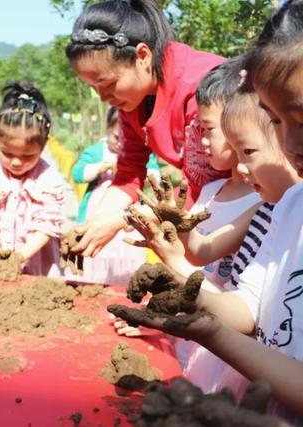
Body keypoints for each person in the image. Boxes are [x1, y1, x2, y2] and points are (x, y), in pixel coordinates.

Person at [112, 33, 303, 423]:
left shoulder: (275, 201)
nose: (290, 141)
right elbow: (248, 311)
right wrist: (201, 320)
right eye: (280, 121)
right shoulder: (289, 208)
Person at [66, 0, 227, 258]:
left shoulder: (199, 88)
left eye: (107, 84)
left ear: (142, 56)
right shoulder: (132, 100)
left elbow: (207, 181)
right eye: (93, 88)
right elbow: (130, 171)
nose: (103, 97)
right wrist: (97, 223)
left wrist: (125, 219)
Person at [0, 82, 66, 277]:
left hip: (36, 262)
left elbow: (47, 226)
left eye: (28, 156)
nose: (17, 162)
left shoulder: (48, 176)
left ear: (43, 146)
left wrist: (19, 258)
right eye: (7, 153)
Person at [72, 106, 161, 223]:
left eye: (126, 138)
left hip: (129, 212)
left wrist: (137, 176)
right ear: (108, 128)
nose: (121, 143)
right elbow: (77, 174)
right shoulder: (96, 151)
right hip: (95, 210)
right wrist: (99, 168)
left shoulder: (139, 152)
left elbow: (155, 176)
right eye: (117, 137)